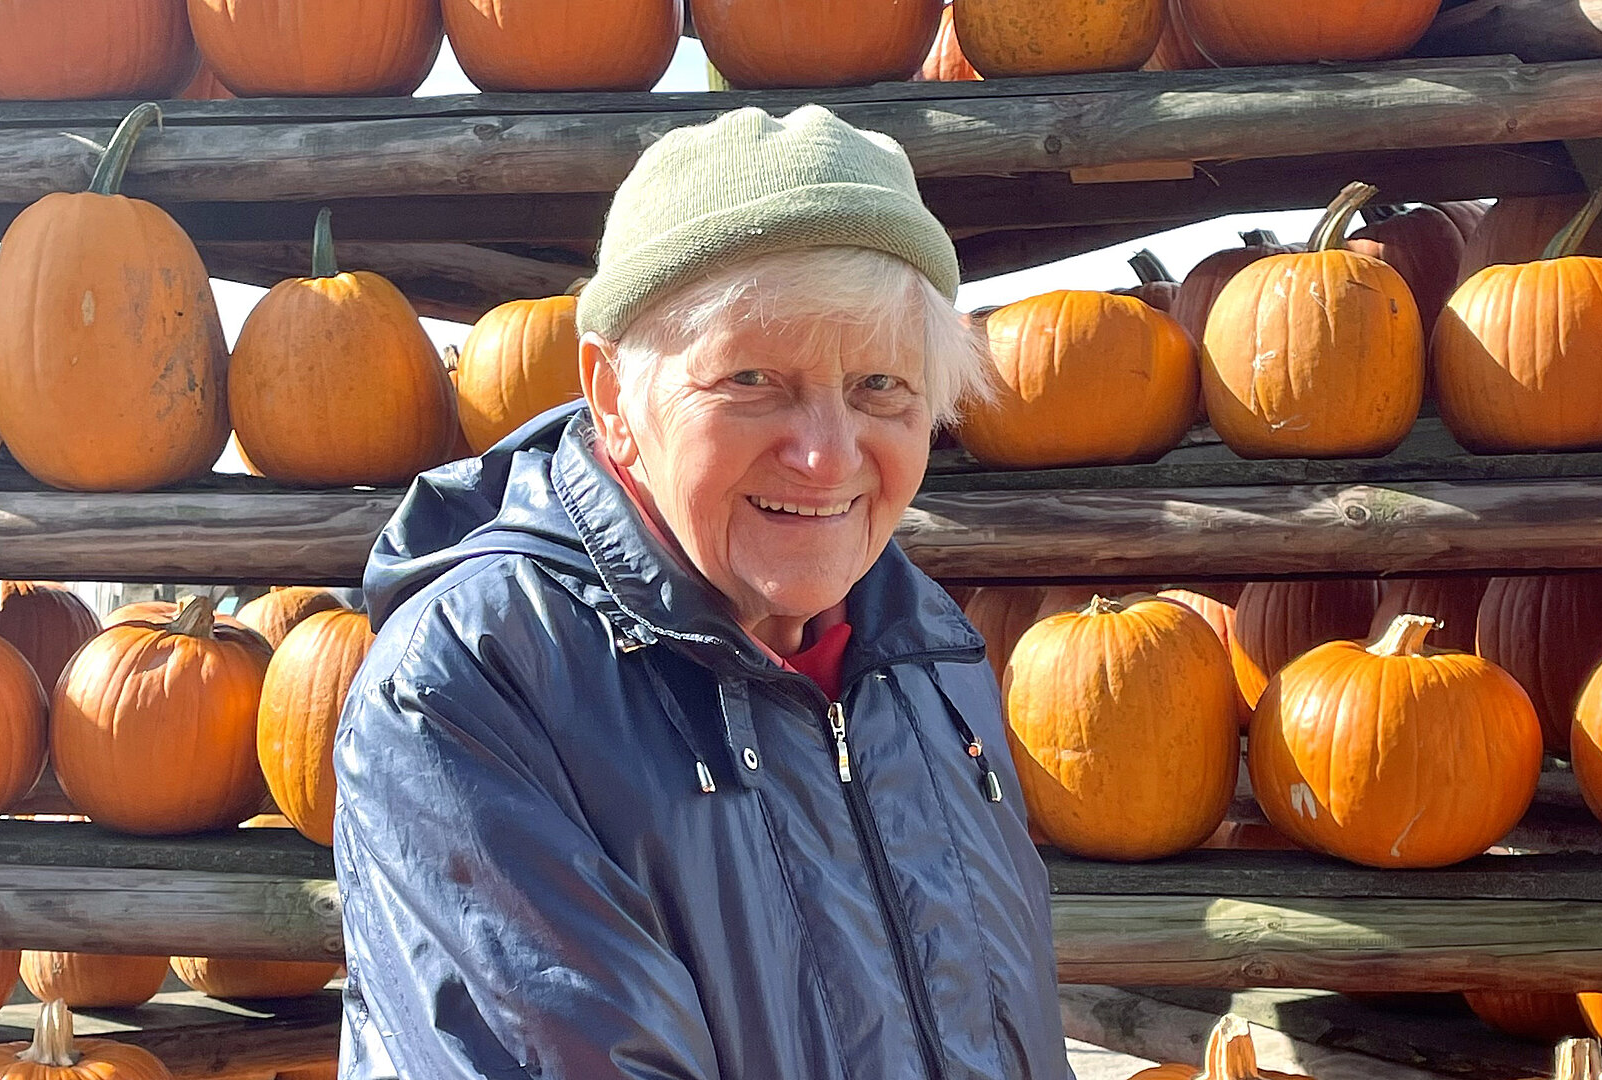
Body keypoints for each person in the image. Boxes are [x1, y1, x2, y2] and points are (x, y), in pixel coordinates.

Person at [335, 104, 1070, 1080]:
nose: (826, 454)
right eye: (753, 379)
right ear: (612, 396)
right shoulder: (473, 682)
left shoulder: (925, 655)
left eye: (881, 386)